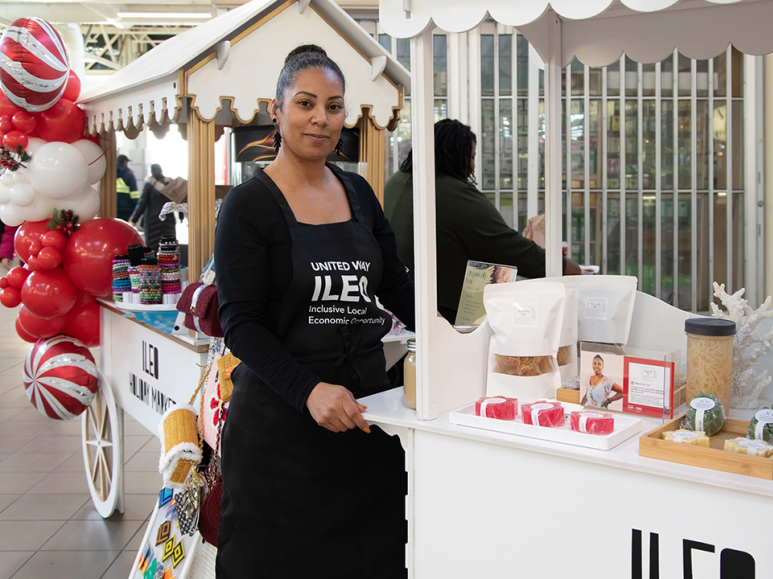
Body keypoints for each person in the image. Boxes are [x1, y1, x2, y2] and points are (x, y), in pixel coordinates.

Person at [214, 44, 415, 578]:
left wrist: (456, 332)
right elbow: (241, 323)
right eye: (305, 103)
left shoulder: (359, 192)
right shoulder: (248, 206)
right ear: (276, 111)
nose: (320, 119)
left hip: (366, 425)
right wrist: (308, 391)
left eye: (333, 106)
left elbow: (393, 284)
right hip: (280, 438)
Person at [383, 119, 581, 324]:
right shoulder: (453, 195)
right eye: (472, 157)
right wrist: (562, 265)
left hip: (399, 308)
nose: (472, 166)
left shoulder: (396, 182)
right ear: (456, 157)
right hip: (445, 316)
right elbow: (507, 247)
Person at [129, 164, 177, 250]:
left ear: (151, 172)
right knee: (169, 247)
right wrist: (181, 216)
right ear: (161, 171)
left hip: (152, 220)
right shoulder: (169, 183)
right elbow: (178, 200)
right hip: (168, 218)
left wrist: (134, 220)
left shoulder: (149, 185)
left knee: (153, 247)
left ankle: (154, 263)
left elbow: (142, 204)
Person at [115, 155, 139, 221]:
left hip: (114, 206)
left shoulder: (112, 172)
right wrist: (136, 206)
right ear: (125, 162)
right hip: (126, 207)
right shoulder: (129, 174)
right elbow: (134, 192)